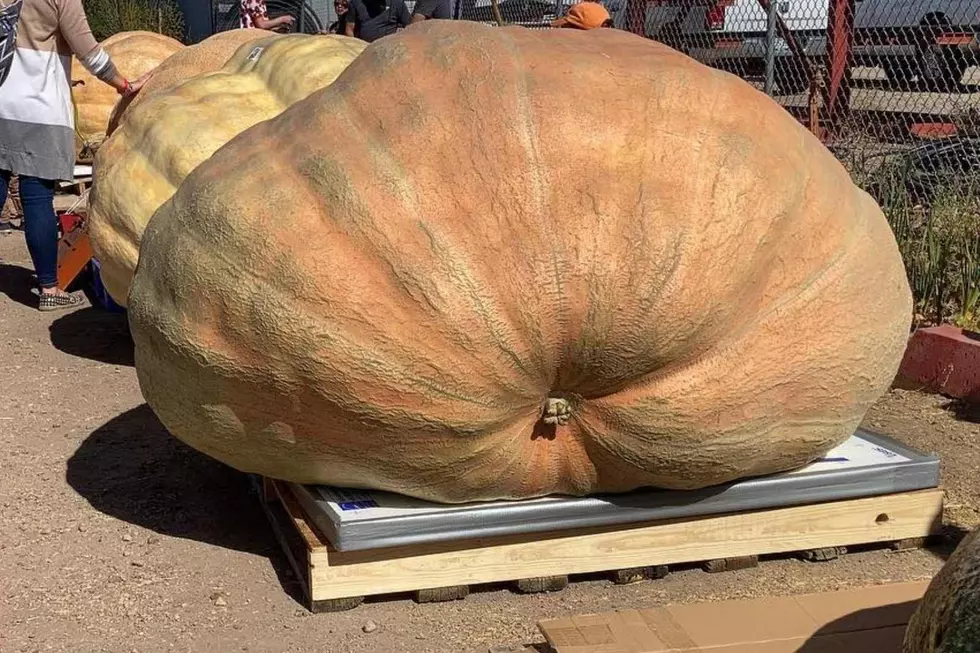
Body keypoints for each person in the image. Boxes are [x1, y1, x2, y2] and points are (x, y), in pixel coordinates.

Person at [0, 0, 148, 311]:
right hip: (38, 108)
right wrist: (125, 85)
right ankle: (48, 287)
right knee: (37, 195)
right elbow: (89, 52)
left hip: (2, 101)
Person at [344, 0, 411, 43]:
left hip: (389, 50)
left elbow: (410, 27)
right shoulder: (355, 2)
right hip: (364, 50)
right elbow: (349, 29)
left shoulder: (397, 3)